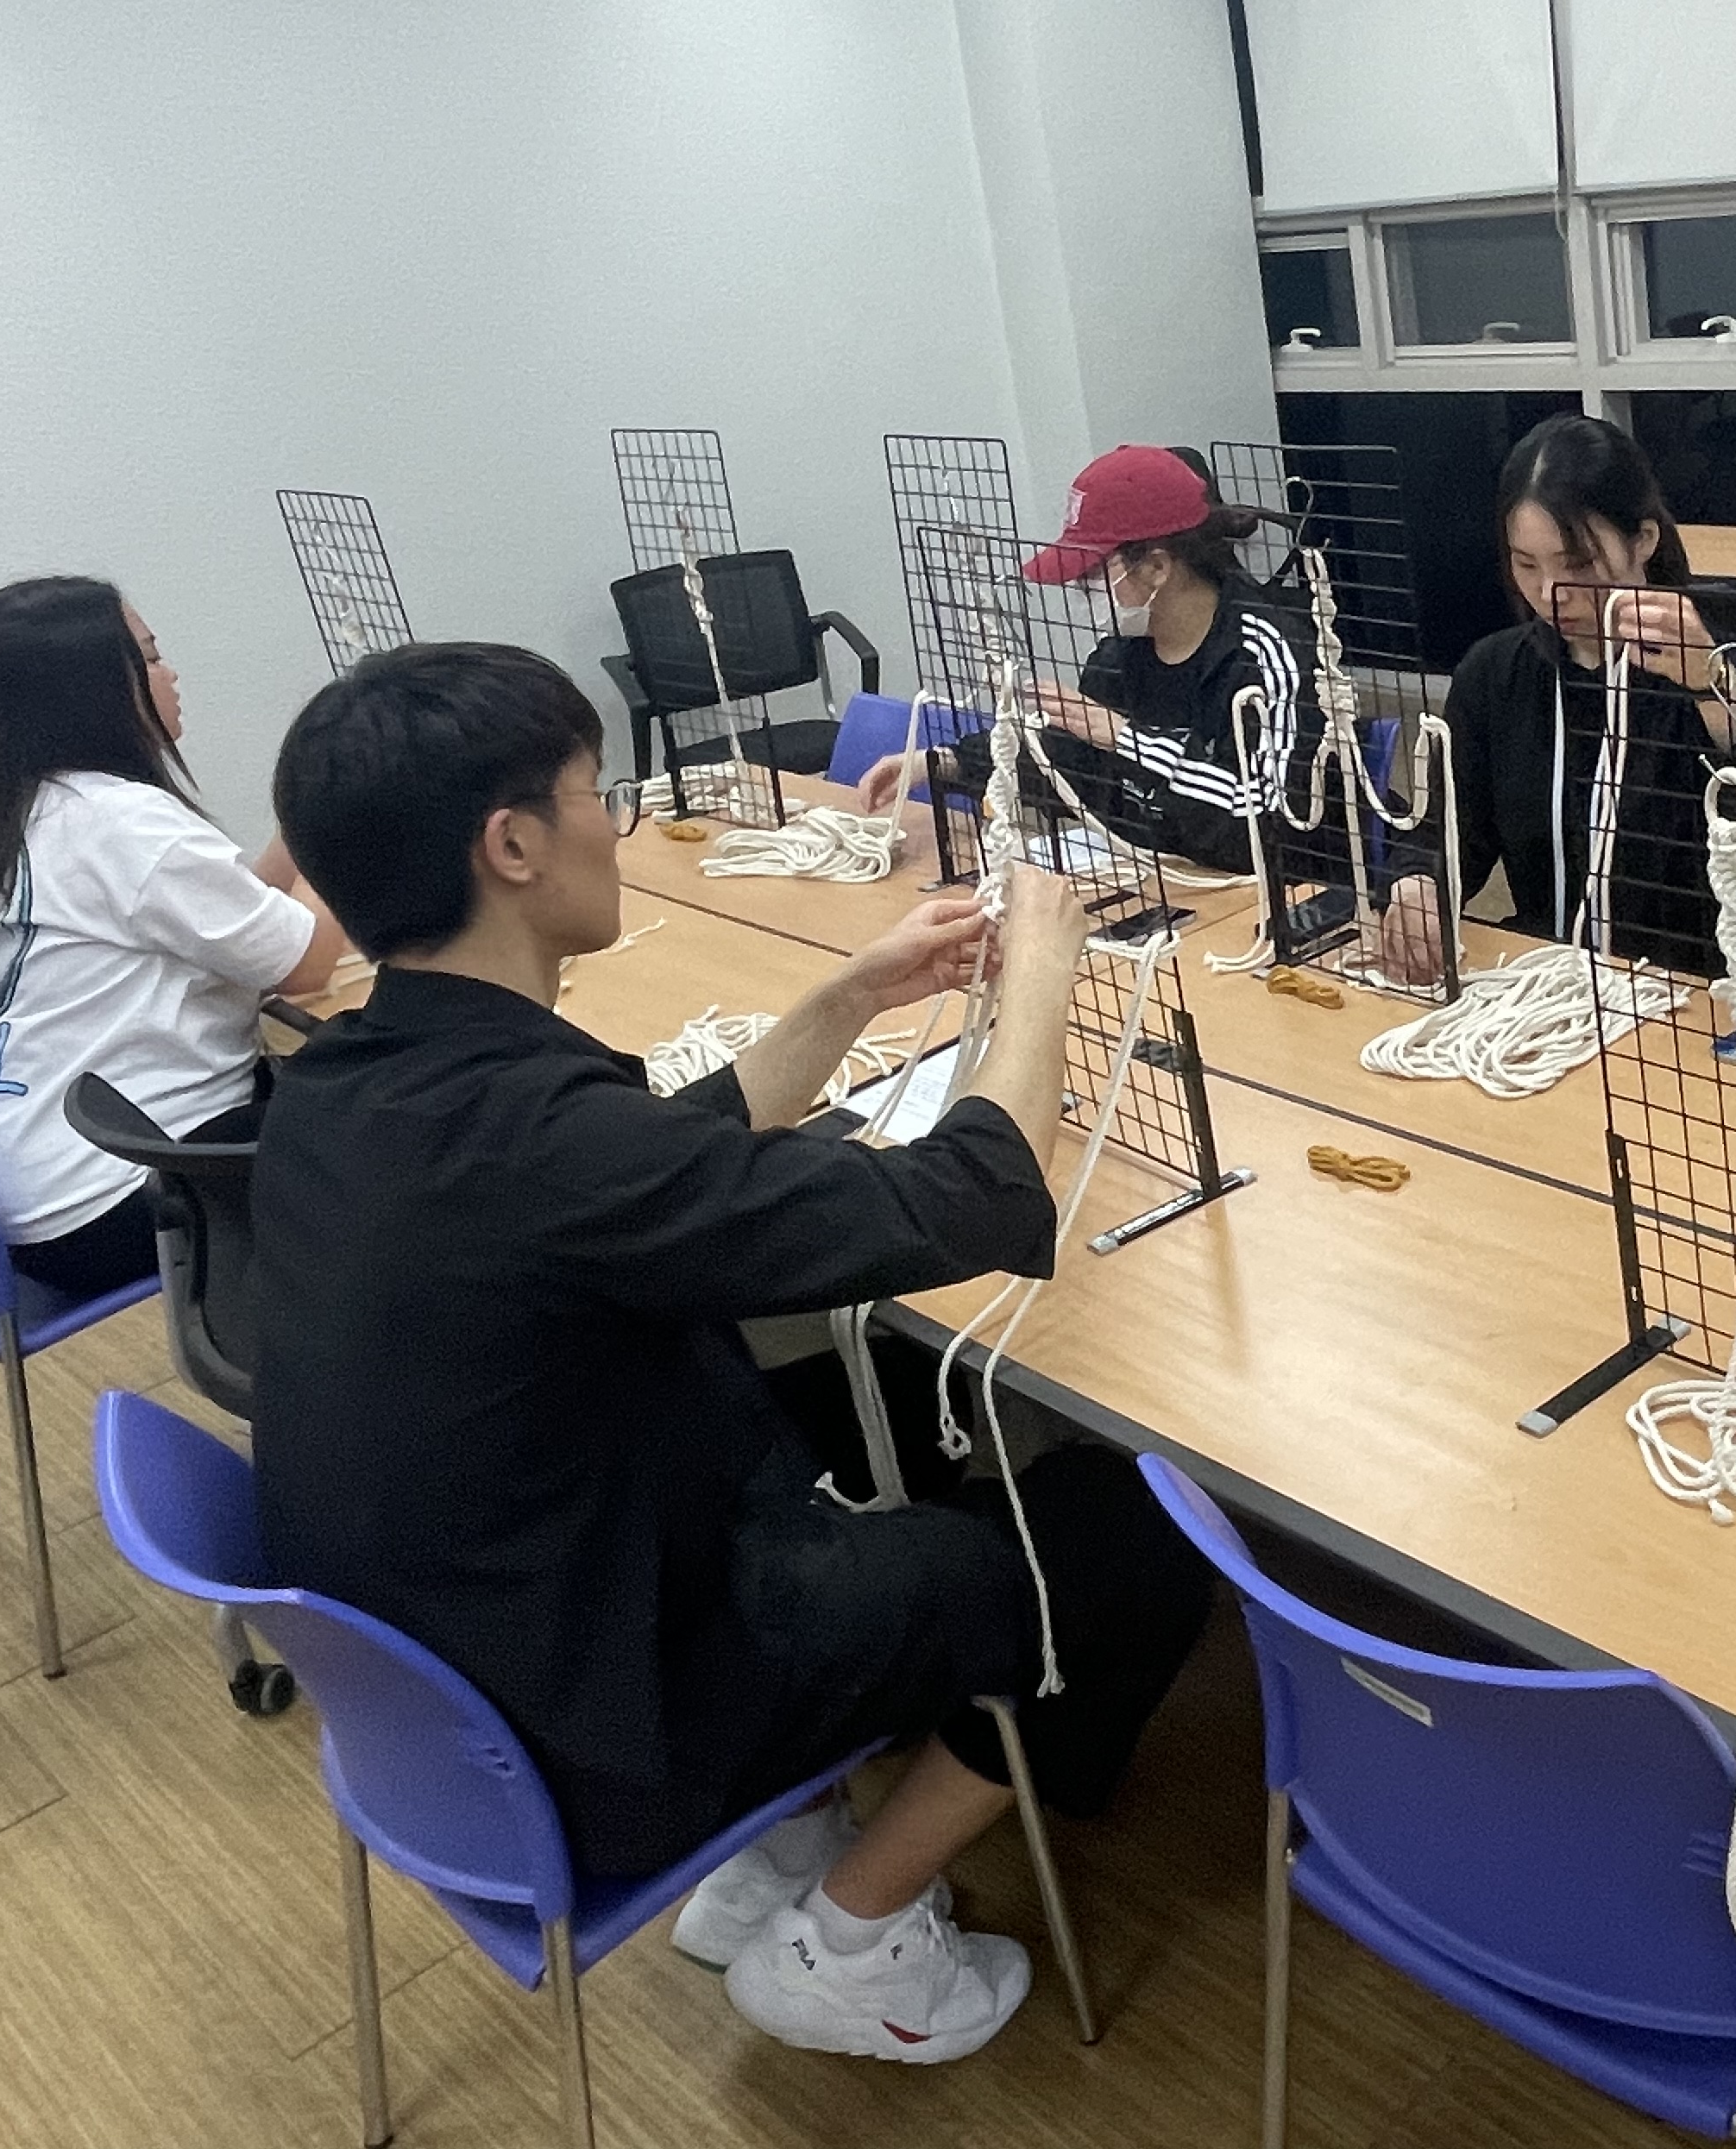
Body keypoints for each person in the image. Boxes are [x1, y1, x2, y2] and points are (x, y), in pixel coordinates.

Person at [254, 644, 1211, 2069]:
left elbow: (658, 1159)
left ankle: (786, 1835)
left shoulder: (350, 1078)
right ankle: (851, 1936)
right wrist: (1044, 985)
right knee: (1127, 1531)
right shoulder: (541, 1141)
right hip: (593, 1736)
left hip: (457, 1679)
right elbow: (980, 1195)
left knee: (866, 1392)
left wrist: (852, 995)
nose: (617, 821)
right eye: (595, 792)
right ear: (511, 845)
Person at [0, 576, 343, 1298]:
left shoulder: (44, 810)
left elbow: (235, 913)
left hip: (35, 1190)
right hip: (115, 1200)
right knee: (413, 1121)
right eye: (150, 658)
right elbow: (306, 963)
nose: (171, 674)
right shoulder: (126, 827)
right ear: (92, 690)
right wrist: (352, 829)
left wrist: (310, 820)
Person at [1370, 414, 1736, 983]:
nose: (1551, 593)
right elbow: (1449, 832)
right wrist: (1418, 880)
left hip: (1694, 993)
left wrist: (1712, 688)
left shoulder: (1711, 661)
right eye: (1525, 564)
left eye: (1577, 564)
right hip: (1554, 982)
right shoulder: (1495, 676)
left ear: (1644, 540)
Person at [858, 443, 1316, 880]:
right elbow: (1070, 756)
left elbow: (1273, 820)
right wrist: (946, 761)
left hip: (1265, 893)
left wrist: (1127, 739)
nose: (1080, 591)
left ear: (1157, 567)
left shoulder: (1268, 655)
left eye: (1093, 574)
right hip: (1155, 875)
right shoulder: (1120, 655)